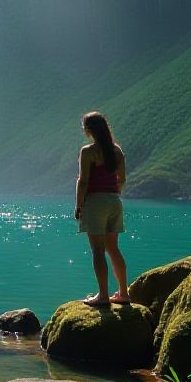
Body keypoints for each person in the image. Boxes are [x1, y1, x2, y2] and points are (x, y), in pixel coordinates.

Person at [74, 111, 129, 307]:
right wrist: (113, 193)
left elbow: (84, 181)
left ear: (88, 130)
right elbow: (122, 179)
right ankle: (123, 293)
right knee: (113, 249)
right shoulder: (117, 151)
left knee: (98, 251)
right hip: (115, 201)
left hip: (95, 203)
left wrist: (79, 205)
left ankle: (103, 296)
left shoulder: (88, 151)